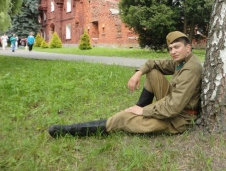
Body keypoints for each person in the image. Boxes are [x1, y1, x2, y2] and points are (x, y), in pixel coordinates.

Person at [48, 31, 203, 138]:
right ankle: (136, 109)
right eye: (170, 48)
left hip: (179, 118)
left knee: (121, 119)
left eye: (177, 47)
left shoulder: (191, 68)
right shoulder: (182, 60)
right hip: (174, 105)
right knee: (153, 72)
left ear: (188, 48)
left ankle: (69, 131)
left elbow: (173, 108)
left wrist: (144, 111)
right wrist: (138, 73)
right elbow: (153, 63)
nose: (173, 51)